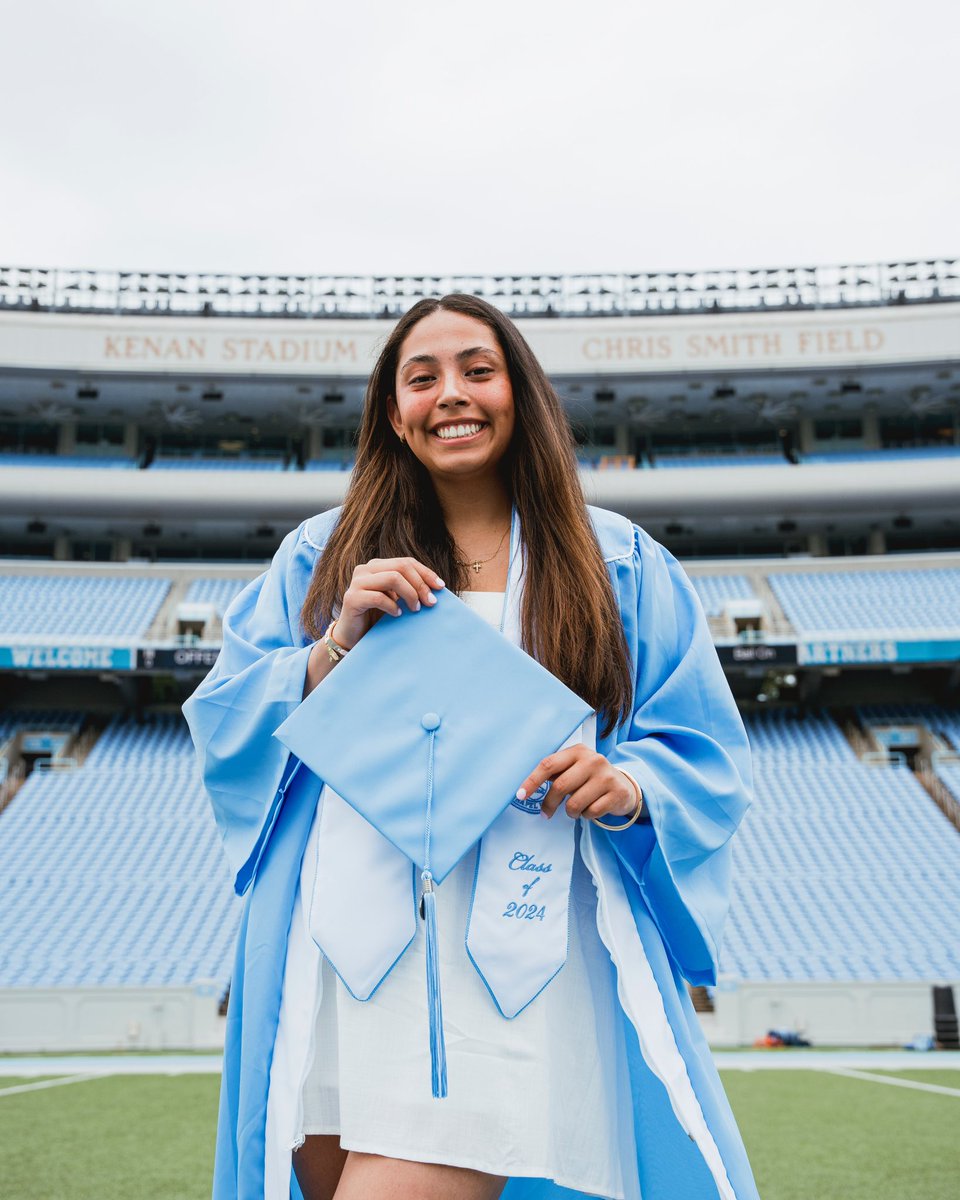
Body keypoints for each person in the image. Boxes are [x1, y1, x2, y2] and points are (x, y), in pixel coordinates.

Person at [183, 294, 761, 1200]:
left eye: (477, 371)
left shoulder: (617, 563)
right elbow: (227, 721)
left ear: (520, 393)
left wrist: (628, 781)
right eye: (422, 379)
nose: (451, 394)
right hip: (348, 948)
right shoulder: (320, 557)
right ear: (392, 413)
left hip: (512, 952)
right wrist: (335, 642)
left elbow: (702, 748)